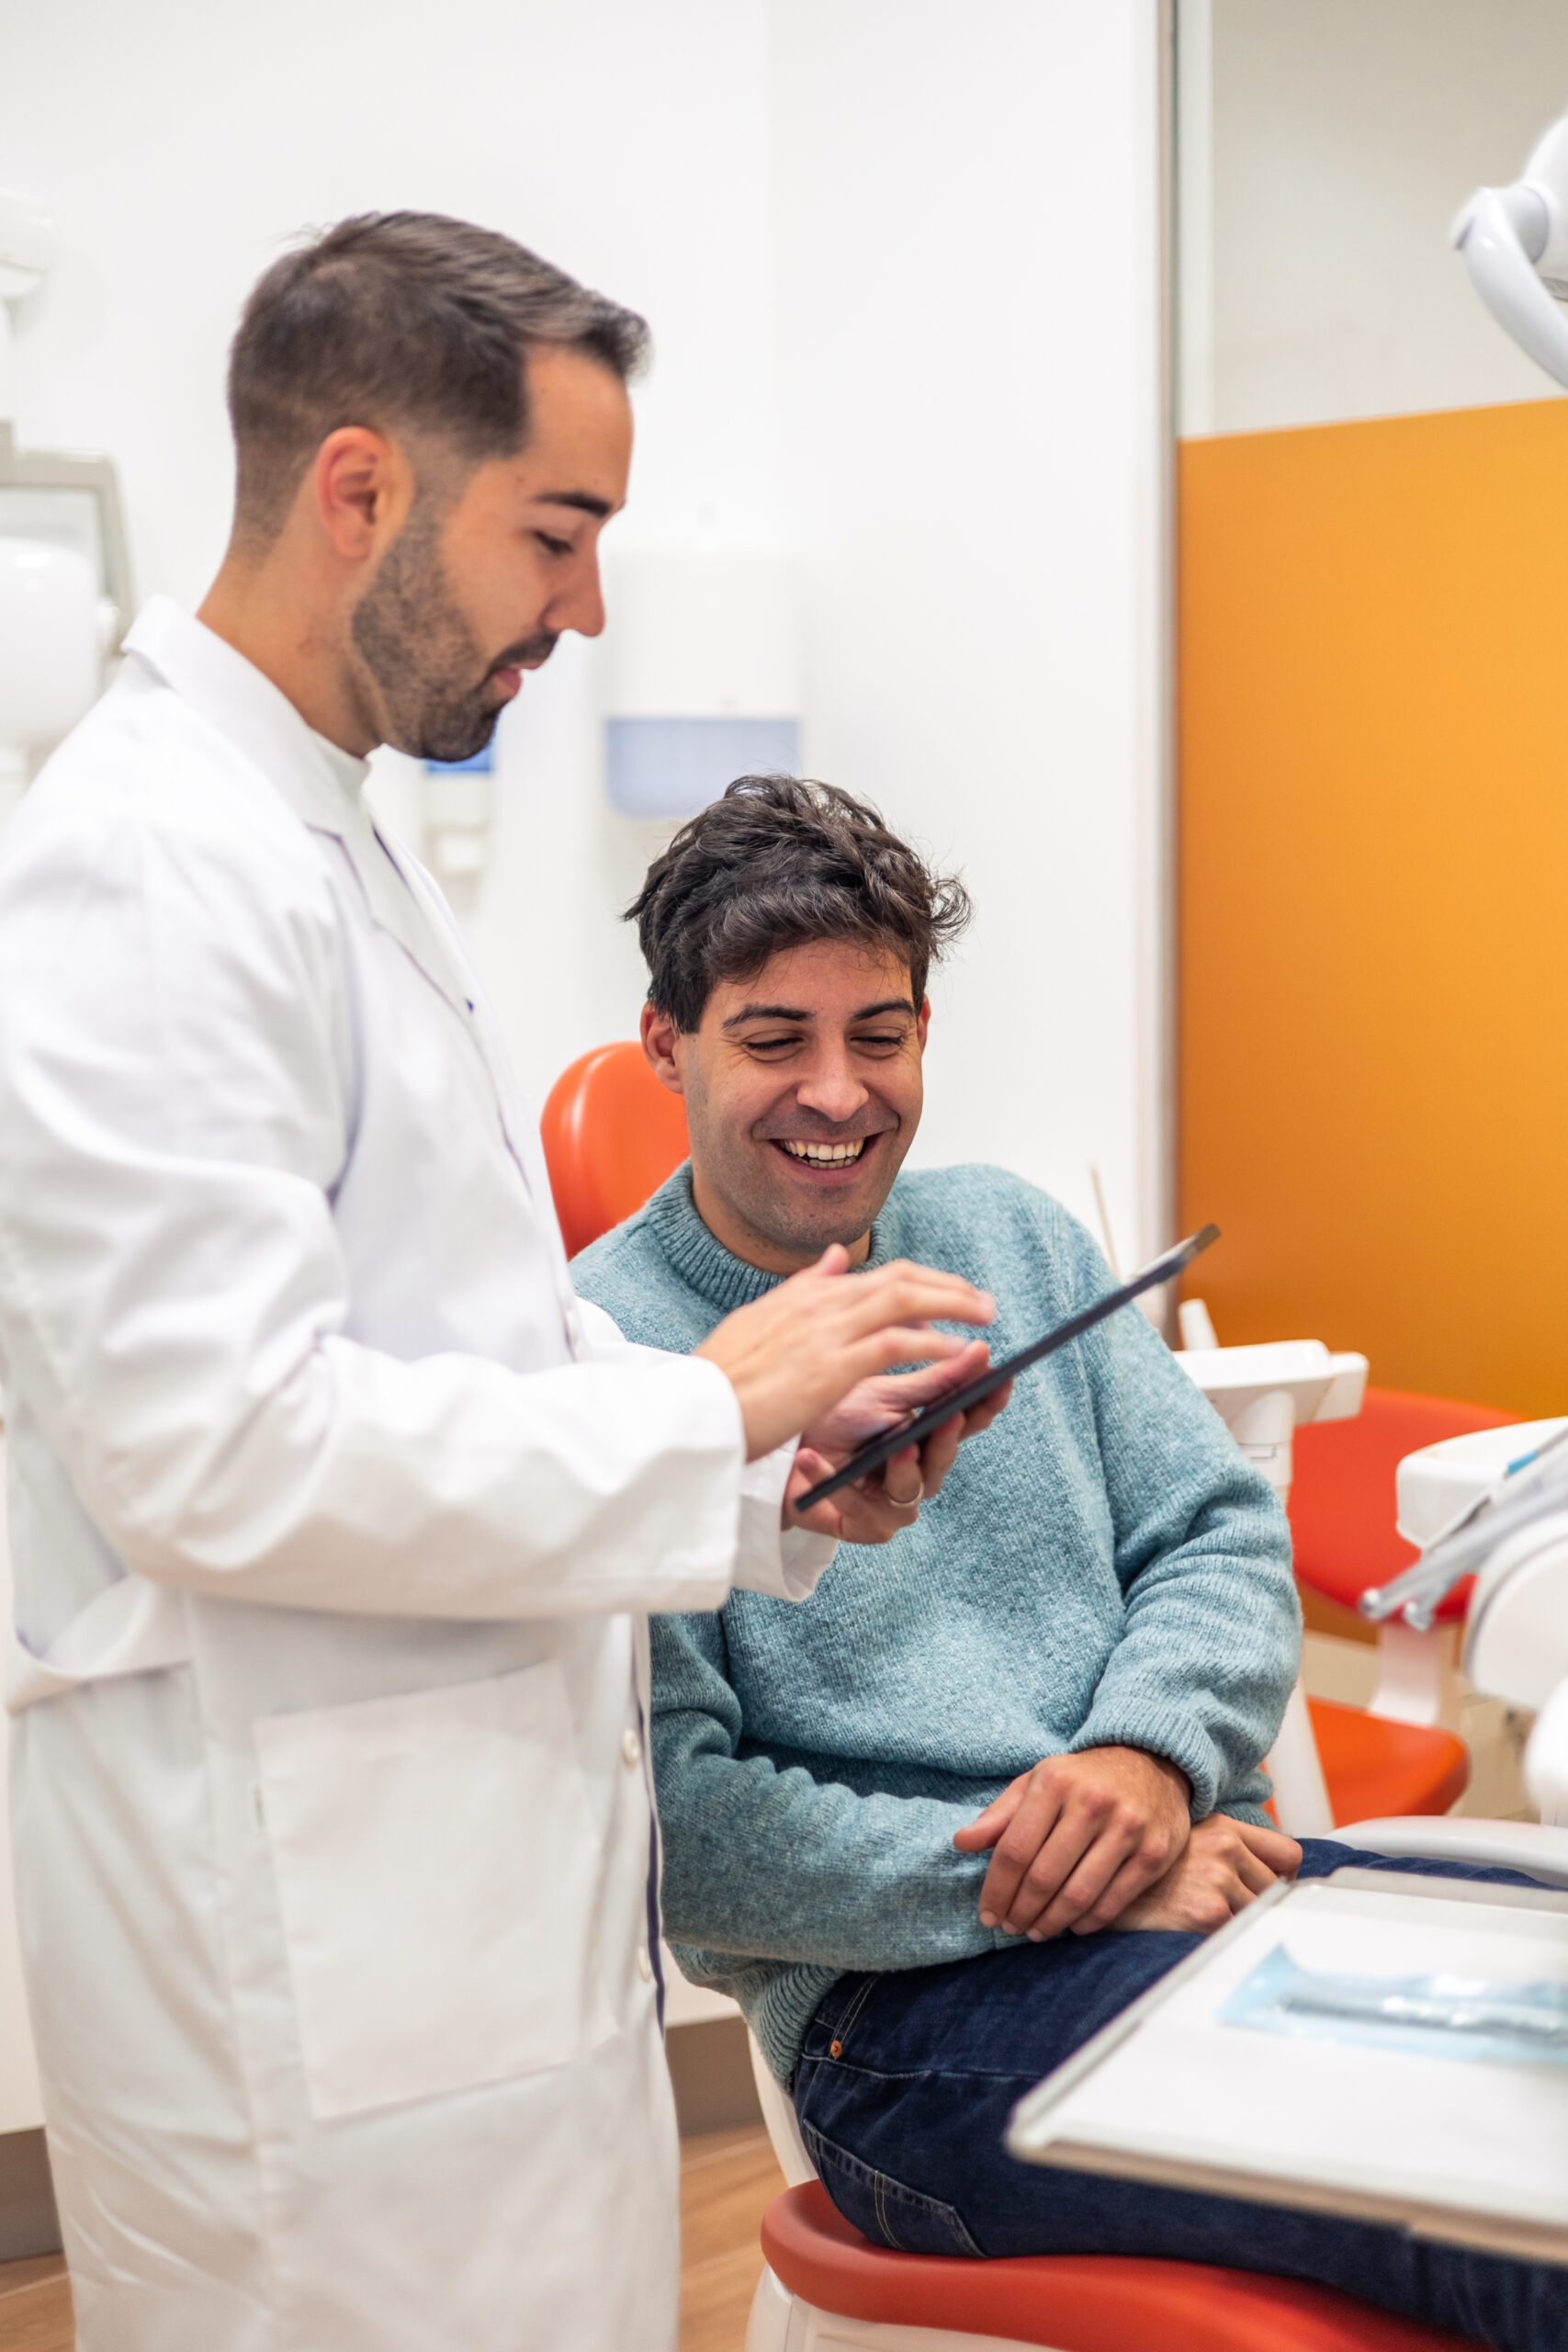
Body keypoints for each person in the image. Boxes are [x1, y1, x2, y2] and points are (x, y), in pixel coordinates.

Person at [0, 220, 1003, 2352]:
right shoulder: (148, 859)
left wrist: (769, 1485)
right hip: (303, 1970)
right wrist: (707, 1402)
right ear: (358, 487)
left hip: (452, 1925)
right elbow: (215, 1447)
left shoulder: (315, 838)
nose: (591, 603)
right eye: (559, 531)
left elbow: (466, 1348)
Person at [572, 774, 1568, 2352]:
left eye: (881, 1035)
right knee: (1500, 2214)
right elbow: (680, 1834)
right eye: (775, 1039)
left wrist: (1144, 1759)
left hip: (1205, 1887)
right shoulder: (603, 1359)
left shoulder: (1011, 1239)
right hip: (899, 2022)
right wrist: (1067, 1882)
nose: (839, 1091)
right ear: (666, 1042)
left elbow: (1218, 1534)